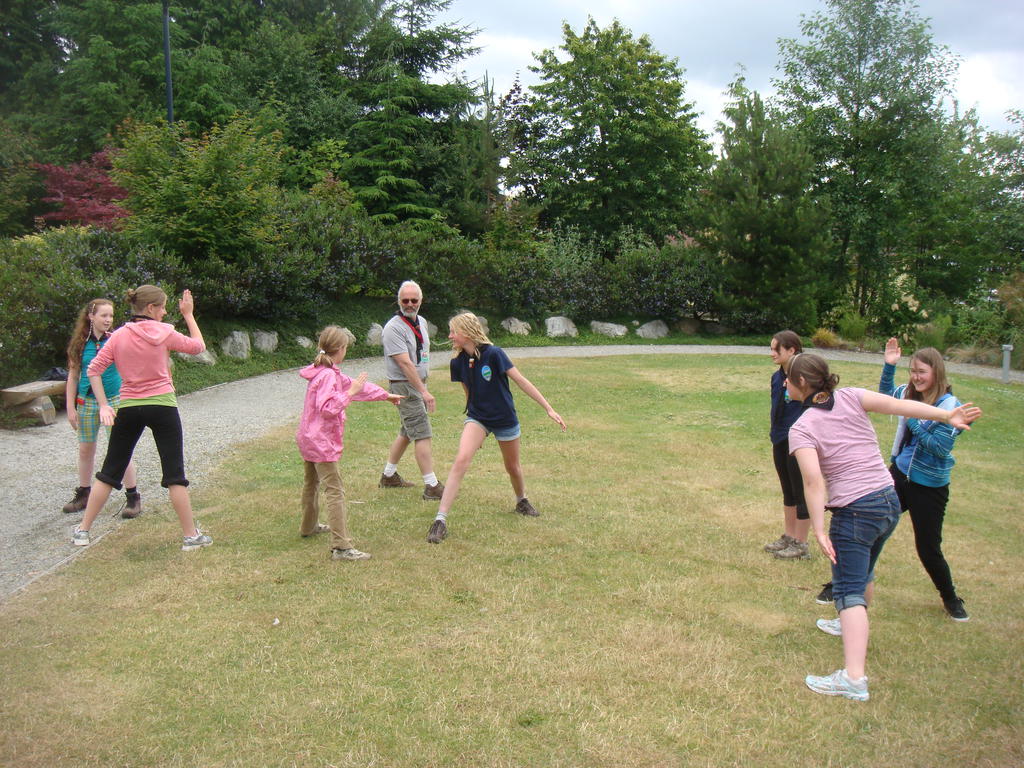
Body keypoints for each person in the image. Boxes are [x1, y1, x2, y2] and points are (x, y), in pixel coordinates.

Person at [786, 353, 980, 701]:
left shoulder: (801, 428)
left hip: (856, 512)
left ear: (802, 383)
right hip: (888, 501)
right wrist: (945, 415)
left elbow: (813, 483)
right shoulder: (851, 396)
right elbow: (900, 406)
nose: (785, 382)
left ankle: (853, 679)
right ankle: (848, 625)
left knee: (848, 591)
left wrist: (818, 530)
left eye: (789, 378)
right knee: (864, 569)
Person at [71, 286, 212, 551]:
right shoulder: (165, 332)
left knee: (109, 472)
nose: (165, 312)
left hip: (129, 407)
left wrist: (104, 405)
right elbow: (198, 346)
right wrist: (188, 314)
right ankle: (190, 537)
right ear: (150, 308)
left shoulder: (118, 336)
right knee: (175, 474)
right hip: (163, 407)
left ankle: (82, 531)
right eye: (163, 307)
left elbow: (93, 370)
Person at [426, 312, 566, 544]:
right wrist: (474, 427)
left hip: (504, 418)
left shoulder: (494, 354)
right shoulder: (457, 362)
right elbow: (468, 392)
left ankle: (521, 501)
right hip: (478, 417)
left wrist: (549, 409)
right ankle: (440, 520)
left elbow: (521, 381)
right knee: (461, 460)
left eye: (453, 332)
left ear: (466, 333)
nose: (450, 336)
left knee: (512, 467)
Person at [297, 326, 403, 561]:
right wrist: (350, 393)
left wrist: (385, 395)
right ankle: (341, 547)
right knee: (334, 491)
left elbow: (357, 386)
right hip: (320, 442)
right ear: (340, 349)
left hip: (309, 438)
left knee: (311, 483)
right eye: (346, 347)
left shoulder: (325, 371)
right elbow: (328, 408)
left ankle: (308, 526)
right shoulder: (327, 375)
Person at [62, 299, 141, 518]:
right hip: (86, 402)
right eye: (103, 315)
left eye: (111, 316)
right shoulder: (79, 344)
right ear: (91, 316)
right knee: (85, 449)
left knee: (121, 448)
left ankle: (133, 496)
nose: (108, 320)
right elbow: (73, 376)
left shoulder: (115, 339)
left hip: (113, 401)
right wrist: (70, 407)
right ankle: (84, 493)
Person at [378, 280, 445, 500]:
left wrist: (423, 385)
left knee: (408, 431)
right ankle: (432, 486)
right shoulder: (393, 328)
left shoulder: (421, 322)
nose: (409, 304)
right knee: (422, 432)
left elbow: (420, 354)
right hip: (405, 386)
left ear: (420, 301)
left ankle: (388, 476)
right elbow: (405, 364)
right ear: (398, 301)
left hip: (417, 383)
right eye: (405, 300)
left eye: (413, 300)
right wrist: (423, 391)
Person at [763, 330, 809, 559]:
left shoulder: (806, 376)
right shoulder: (776, 377)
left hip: (799, 441)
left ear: (792, 350)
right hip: (780, 438)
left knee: (801, 492)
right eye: (771, 349)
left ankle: (801, 544)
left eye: (776, 349)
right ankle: (789, 537)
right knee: (787, 490)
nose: (772, 353)